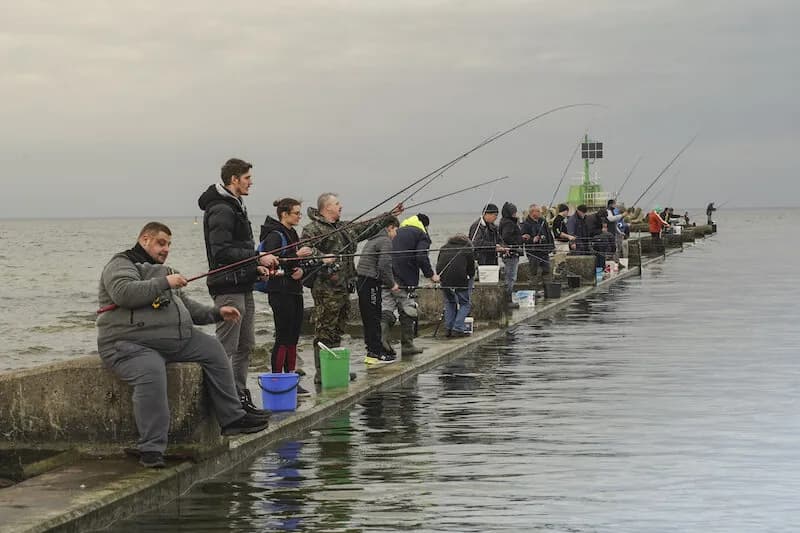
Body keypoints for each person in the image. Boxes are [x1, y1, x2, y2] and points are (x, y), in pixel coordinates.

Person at [96, 222, 270, 468]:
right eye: (160, 243)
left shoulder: (164, 270)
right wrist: (166, 282)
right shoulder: (121, 264)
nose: (165, 249)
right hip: (129, 343)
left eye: (168, 244)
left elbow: (187, 307)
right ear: (144, 239)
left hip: (175, 339)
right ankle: (152, 449)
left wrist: (218, 313)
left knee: (213, 349)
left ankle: (232, 419)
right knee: (151, 373)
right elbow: (124, 293)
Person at [199, 158, 278, 416]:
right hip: (227, 287)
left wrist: (255, 268)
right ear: (234, 179)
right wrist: (257, 257)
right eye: (247, 178)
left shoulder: (236, 205)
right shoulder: (221, 208)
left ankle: (239, 397)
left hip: (242, 283)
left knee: (246, 345)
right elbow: (221, 252)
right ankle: (220, 404)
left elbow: (236, 251)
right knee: (227, 346)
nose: (250, 182)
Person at [301, 193, 402, 384]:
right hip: (326, 288)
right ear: (326, 207)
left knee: (338, 329)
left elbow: (367, 227)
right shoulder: (312, 228)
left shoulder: (343, 228)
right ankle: (321, 373)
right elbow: (303, 251)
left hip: (344, 287)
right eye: (337, 203)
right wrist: (321, 256)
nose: (341, 206)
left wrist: (389, 215)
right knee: (324, 330)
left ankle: (335, 369)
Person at [258, 198, 314, 395]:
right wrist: (296, 256)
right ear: (284, 214)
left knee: (293, 337)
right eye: (296, 213)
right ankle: (277, 379)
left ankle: (291, 378)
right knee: (282, 336)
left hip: (294, 290)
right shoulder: (275, 234)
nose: (300, 216)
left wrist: (300, 268)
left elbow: (293, 263)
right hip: (280, 291)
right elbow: (273, 262)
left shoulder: (292, 233)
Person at [384, 214, 440, 356]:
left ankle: (381, 345)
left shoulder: (398, 231)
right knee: (408, 309)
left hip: (387, 275)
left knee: (387, 309)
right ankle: (407, 345)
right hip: (405, 278)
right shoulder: (421, 235)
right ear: (425, 225)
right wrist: (431, 275)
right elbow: (421, 256)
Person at [356, 216, 400, 364]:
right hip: (370, 282)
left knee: (369, 317)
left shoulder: (373, 239)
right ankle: (375, 352)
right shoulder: (385, 241)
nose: (396, 235)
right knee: (374, 317)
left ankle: (372, 351)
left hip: (362, 280)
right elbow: (384, 265)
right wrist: (392, 284)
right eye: (396, 231)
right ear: (390, 227)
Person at [435, 234, 475, 337]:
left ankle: (448, 328)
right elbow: (471, 269)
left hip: (444, 279)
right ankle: (457, 328)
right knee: (465, 303)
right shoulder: (467, 249)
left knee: (449, 301)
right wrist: (470, 278)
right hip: (460, 279)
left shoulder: (443, 248)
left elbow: (439, 264)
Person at [520, 204, 555, 287]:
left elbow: (548, 234)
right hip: (533, 252)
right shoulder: (526, 224)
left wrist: (551, 246)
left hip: (544, 251)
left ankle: (548, 289)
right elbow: (522, 239)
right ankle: (533, 290)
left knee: (547, 270)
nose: (540, 213)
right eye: (538, 211)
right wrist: (532, 239)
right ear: (533, 212)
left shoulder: (542, 221)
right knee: (534, 272)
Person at [498, 202, 523, 307]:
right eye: (514, 212)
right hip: (511, 253)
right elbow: (506, 237)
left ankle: (508, 298)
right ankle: (508, 300)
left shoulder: (505, 222)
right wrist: (517, 243)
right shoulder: (509, 223)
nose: (515, 214)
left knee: (510, 276)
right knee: (511, 277)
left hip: (510, 253)